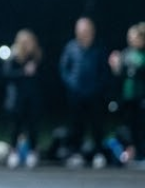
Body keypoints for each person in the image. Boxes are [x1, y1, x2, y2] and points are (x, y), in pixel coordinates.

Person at [58, 16, 109, 168]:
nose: (83, 33)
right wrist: (72, 85)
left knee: (97, 125)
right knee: (76, 125)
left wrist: (98, 87)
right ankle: (76, 153)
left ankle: (99, 154)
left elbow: (104, 71)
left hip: (94, 94)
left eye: (86, 30)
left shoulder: (99, 47)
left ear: (92, 31)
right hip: (75, 94)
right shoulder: (71, 47)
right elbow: (64, 69)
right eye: (80, 30)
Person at [2, 28, 43, 168]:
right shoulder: (13, 56)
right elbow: (6, 74)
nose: (26, 45)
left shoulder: (37, 57)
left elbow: (45, 77)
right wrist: (23, 72)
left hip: (32, 98)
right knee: (15, 127)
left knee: (32, 126)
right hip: (16, 99)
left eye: (29, 41)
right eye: (24, 42)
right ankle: (13, 152)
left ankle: (33, 152)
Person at [108, 22, 145, 163]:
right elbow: (118, 74)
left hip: (141, 96)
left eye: (135, 37)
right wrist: (114, 66)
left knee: (141, 126)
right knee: (128, 126)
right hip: (127, 97)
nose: (132, 40)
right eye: (130, 37)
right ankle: (132, 151)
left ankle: (142, 153)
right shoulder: (125, 53)